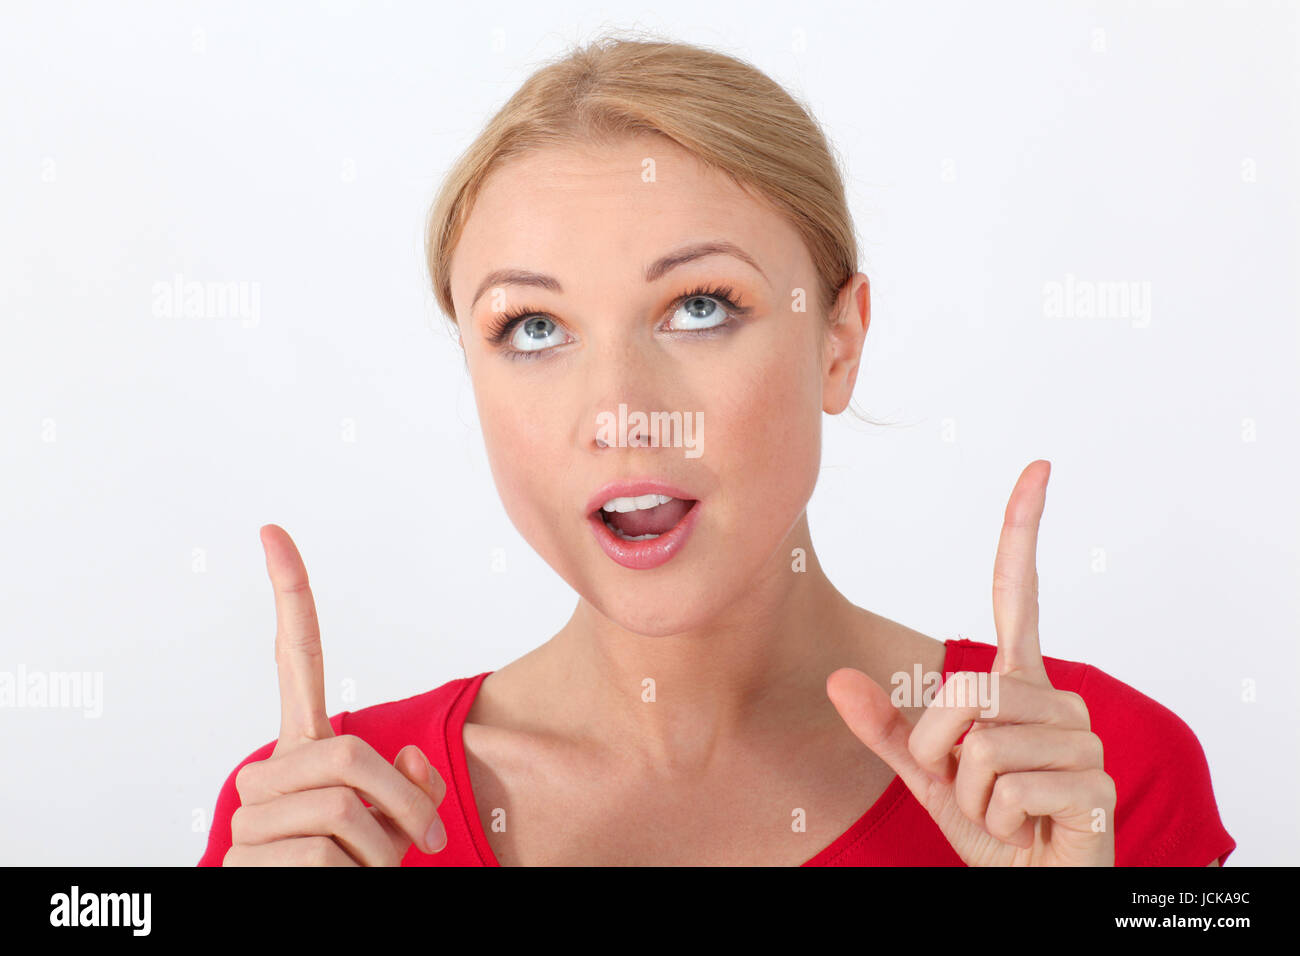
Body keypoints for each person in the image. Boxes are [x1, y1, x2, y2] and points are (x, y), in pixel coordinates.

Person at [199, 34, 1234, 867]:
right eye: (532, 327)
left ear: (839, 342)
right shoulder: (321, 817)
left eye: (699, 306)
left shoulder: (1088, 774)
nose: (620, 411)